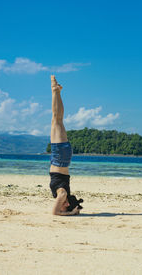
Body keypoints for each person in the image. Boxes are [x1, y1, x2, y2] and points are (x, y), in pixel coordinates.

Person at [49, 75, 81, 216]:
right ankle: (55, 90)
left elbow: (58, 209)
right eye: (67, 206)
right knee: (57, 119)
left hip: (60, 157)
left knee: (56, 120)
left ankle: (57, 91)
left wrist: (73, 210)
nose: (64, 205)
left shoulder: (62, 194)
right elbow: (55, 213)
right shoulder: (62, 194)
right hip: (60, 156)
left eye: (65, 207)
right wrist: (71, 213)